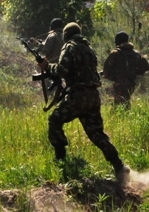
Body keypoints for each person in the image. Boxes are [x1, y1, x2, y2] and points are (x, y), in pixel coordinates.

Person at [37, 22, 130, 184]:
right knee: (97, 134)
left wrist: (47, 67)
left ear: (66, 35)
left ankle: (60, 159)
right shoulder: (89, 49)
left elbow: (61, 71)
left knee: (54, 120)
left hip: (78, 96)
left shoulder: (70, 47)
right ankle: (119, 166)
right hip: (93, 96)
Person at [102, 31, 149, 107]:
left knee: (120, 106)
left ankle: (126, 117)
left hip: (120, 85)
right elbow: (146, 67)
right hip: (131, 84)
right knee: (124, 102)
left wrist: (113, 77)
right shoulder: (136, 53)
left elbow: (106, 71)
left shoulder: (115, 53)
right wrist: (134, 72)